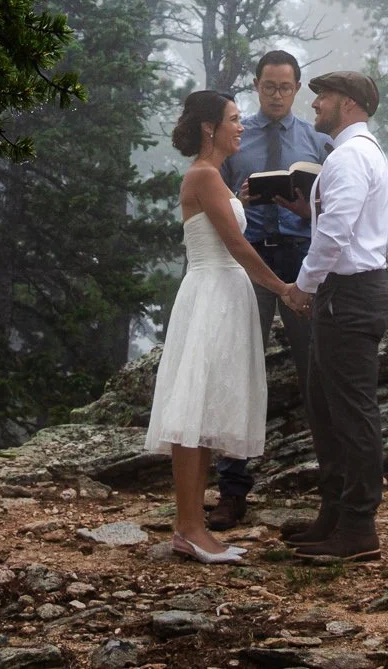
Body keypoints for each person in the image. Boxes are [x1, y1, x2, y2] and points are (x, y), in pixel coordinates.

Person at [143, 89, 304, 564]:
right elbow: (236, 246)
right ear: (210, 127)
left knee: (205, 412)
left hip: (219, 294)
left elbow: (219, 225)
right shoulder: (204, 175)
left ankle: (190, 526)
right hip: (213, 294)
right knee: (193, 413)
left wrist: (242, 198)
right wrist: (282, 288)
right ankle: (191, 528)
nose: (242, 127)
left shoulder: (213, 178)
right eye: (234, 119)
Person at [206, 50, 332, 530]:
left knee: (316, 371)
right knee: (239, 371)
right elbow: (209, 196)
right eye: (268, 86)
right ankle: (232, 491)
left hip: (303, 258)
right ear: (256, 86)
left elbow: (337, 207)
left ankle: (332, 491)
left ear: (297, 89)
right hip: (250, 259)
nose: (277, 95)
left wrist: (308, 210)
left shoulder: (318, 141)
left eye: (285, 87)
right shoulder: (236, 137)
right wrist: (235, 202)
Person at [278, 70, 388, 563]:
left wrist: (302, 286)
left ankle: (358, 526)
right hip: (348, 292)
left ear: (347, 103)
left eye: (322, 97)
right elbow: (339, 223)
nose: (316, 104)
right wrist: (310, 210)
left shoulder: (349, 156)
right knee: (329, 409)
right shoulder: (355, 154)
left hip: (347, 293)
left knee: (351, 412)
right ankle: (336, 512)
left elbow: (336, 235)